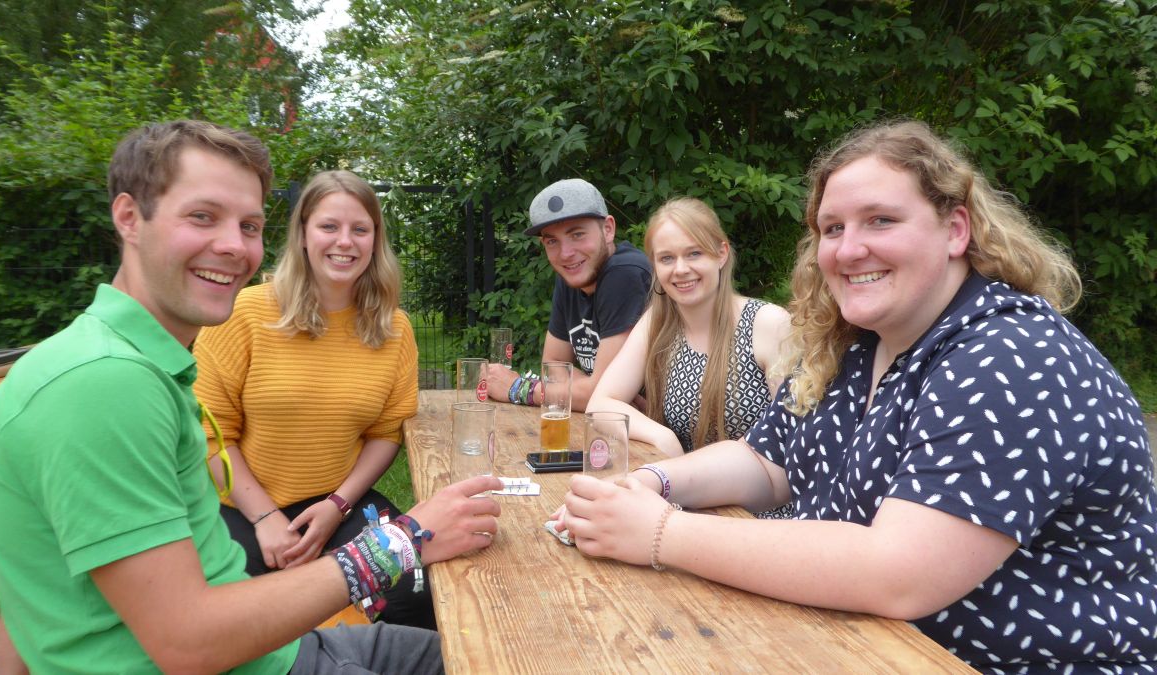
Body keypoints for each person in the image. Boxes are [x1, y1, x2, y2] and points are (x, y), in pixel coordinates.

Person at [559, 120, 1157, 672]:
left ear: (955, 230)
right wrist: (654, 482)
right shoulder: (856, 343)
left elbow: (899, 573)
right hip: (854, 647)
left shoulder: (1012, 355)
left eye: (881, 221)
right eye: (833, 229)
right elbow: (768, 462)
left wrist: (661, 533)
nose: (848, 250)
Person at [0, 120, 502, 674]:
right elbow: (190, 645)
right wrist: (401, 541)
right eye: (202, 216)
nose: (233, 245)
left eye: (248, 225)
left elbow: (29, 583)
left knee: (470, 655)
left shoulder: (137, 365)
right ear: (128, 217)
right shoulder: (103, 385)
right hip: (244, 656)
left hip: (273, 647)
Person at [193, 170, 434, 628]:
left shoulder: (393, 328)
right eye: (329, 226)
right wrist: (265, 518)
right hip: (240, 506)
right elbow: (209, 434)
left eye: (360, 229)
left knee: (415, 587)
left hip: (337, 502)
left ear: (375, 240)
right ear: (303, 234)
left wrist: (337, 506)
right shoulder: (245, 313)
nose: (345, 241)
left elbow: (385, 434)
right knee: (241, 619)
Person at [588, 197, 791, 465]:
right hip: (678, 483)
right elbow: (600, 405)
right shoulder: (657, 323)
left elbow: (795, 437)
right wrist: (663, 437)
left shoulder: (768, 324)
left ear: (721, 254)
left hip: (758, 490)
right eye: (667, 258)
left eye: (694, 253)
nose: (681, 269)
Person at [486, 178, 651, 412]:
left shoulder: (625, 273)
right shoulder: (574, 275)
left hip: (662, 430)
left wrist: (520, 388)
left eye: (577, 235)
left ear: (608, 229)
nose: (565, 254)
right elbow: (553, 365)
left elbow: (603, 393)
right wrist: (589, 390)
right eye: (552, 241)